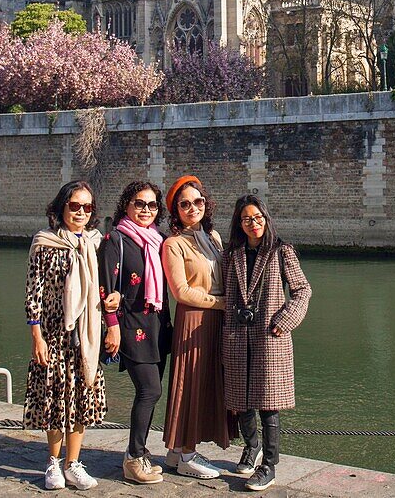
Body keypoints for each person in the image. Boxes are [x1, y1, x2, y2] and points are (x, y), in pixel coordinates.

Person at [222, 195, 311, 492]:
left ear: (266, 218)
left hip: (269, 336)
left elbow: (302, 290)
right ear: (239, 223)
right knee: (241, 401)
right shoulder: (232, 253)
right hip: (237, 334)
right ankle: (252, 445)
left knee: (268, 405)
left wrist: (284, 321)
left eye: (258, 217)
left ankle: (269, 465)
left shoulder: (281, 251)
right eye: (247, 219)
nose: (254, 223)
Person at [23, 180, 108, 491]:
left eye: (87, 207)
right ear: (62, 207)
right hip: (54, 333)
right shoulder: (44, 243)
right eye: (75, 206)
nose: (81, 212)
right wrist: (37, 336)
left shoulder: (97, 243)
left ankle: (74, 463)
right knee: (56, 400)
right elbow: (34, 292)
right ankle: (53, 462)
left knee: (82, 398)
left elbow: (106, 288)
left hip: (87, 335)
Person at [98, 181, 172, 485]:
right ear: (126, 205)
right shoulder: (115, 238)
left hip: (157, 324)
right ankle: (132, 457)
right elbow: (106, 287)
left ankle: (139, 453)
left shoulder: (160, 239)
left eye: (152, 205)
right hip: (130, 324)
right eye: (139, 203)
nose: (145, 210)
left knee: (152, 393)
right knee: (149, 390)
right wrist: (112, 327)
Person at [160, 175, 234, 479]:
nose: (193, 207)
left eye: (197, 201)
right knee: (188, 384)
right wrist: (222, 303)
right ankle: (188, 453)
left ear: (206, 203)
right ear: (176, 210)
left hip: (215, 319)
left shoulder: (213, 237)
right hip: (193, 320)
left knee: (204, 384)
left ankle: (176, 452)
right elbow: (181, 292)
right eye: (185, 204)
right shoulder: (173, 244)